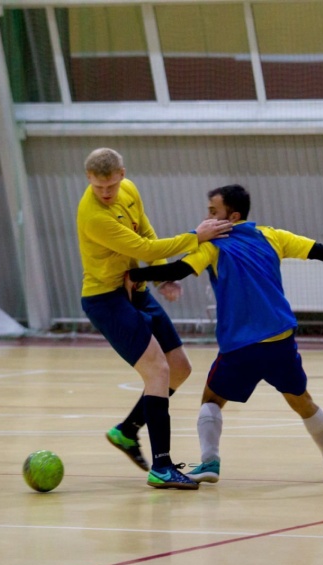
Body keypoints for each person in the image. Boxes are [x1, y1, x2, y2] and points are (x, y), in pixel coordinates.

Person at [126, 184, 323, 484]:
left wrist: (134, 275)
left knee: (211, 400)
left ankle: (209, 462)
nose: (207, 217)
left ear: (233, 216)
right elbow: (317, 250)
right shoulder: (272, 235)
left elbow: (177, 270)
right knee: (302, 401)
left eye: (213, 211)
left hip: (240, 347)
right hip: (280, 341)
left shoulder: (212, 245)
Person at [78, 148, 232, 490]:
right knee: (157, 371)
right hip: (106, 299)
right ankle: (162, 467)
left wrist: (162, 278)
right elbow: (145, 249)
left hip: (135, 288)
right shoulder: (94, 216)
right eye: (99, 187)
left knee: (179, 368)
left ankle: (127, 431)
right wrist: (196, 236)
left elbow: (146, 233)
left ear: (122, 174)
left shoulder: (129, 190)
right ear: (89, 179)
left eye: (111, 185)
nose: (106, 192)